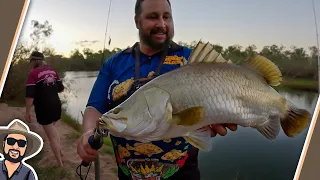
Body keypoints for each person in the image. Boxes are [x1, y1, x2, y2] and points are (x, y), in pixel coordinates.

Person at [77, 0, 238, 179]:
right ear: (137, 21)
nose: (161, 24)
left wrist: (217, 114)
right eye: (153, 17)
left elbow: (220, 97)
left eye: (166, 17)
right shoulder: (114, 63)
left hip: (183, 172)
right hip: (127, 173)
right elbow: (95, 107)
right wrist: (88, 132)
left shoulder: (192, 59)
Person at [25, 51, 64, 167]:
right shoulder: (53, 71)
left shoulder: (33, 74)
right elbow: (61, 88)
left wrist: (27, 112)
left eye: (30, 61)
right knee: (53, 130)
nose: (30, 63)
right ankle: (60, 152)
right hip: (56, 104)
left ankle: (60, 164)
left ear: (34, 61)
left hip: (44, 108)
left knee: (51, 136)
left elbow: (30, 96)